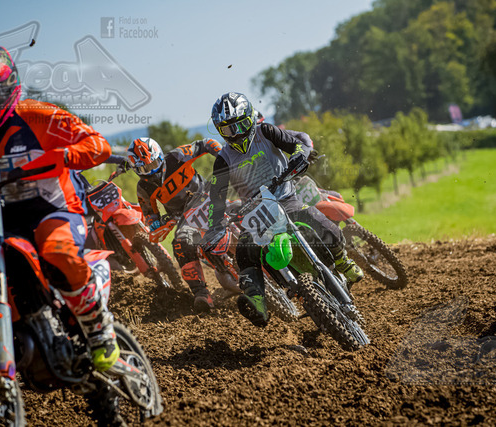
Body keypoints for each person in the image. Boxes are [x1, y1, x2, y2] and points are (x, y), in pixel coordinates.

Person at [0, 46, 118, 371]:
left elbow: (99, 145)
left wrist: (64, 155)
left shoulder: (37, 116)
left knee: (57, 250)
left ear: (6, 88)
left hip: (53, 209)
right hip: (1, 219)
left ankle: (100, 330)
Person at [202, 92, 363, 327]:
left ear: (251, 118)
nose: (235, 134)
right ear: (220, 130)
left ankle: (342, 261)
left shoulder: (266, 131)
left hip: (285, 197)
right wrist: (214, 226)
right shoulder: (223, 159)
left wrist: (299, 156)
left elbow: (296, 144)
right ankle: (257, 300)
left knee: (313, 217)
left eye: (241, 125)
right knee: (244, 250)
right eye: (228, 129)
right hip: (257, 212)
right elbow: (216, 197)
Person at [121, 136, 227, 312]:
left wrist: (223, 156)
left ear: (160, 156)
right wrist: (156, 224)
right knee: (180, 245)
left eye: (154, 164)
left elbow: (206, 144)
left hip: (207, 196)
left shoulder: (177, 156)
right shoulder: (144, 188)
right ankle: (201, 294)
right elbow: (150, 214)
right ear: (136, 170)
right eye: (144, 169)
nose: (151, 171)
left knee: (240, 209)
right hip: (183, 217)